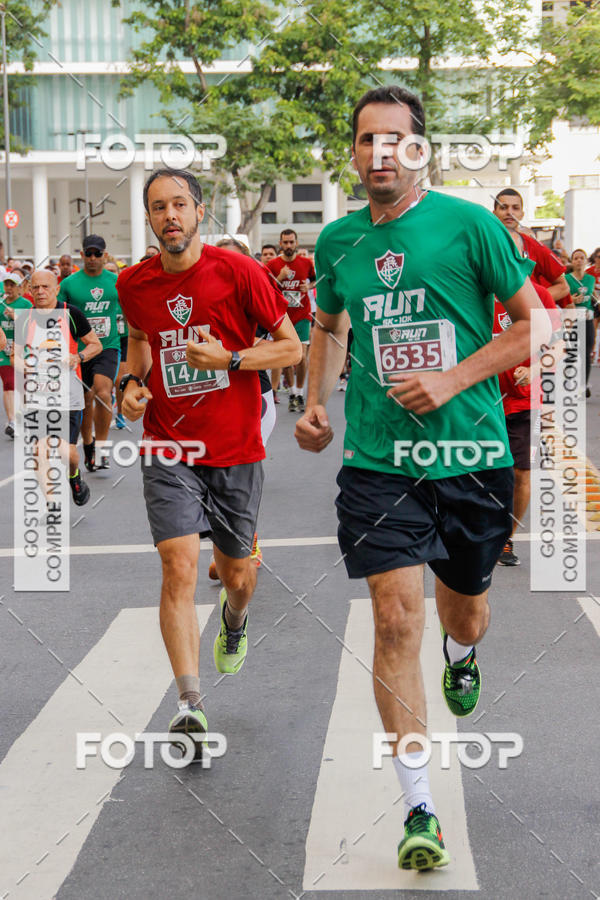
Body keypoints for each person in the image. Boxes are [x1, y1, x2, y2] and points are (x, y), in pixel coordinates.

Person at [295, 85, 549, 872]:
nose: (380, 153)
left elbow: (534, 324)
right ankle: (419, 807)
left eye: (395, 140)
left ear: (420, 149)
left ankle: (464, 653)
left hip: (471, 459)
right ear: (353, 152)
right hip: (379, 465)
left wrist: (451, 378)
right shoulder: (335, 243)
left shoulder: (470, 224)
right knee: (396, 620)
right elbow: (329, 330)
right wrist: (313, 402)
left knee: (461, 617)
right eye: (366, 140)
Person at [117, 167, 300, 756]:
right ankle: (189, 705)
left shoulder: (239, 272)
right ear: (148, 219)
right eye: (157, 207)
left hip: (235, 448)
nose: (169, 215)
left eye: (179, 205)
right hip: (169, 444)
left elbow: (292, 346)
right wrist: (130, 380)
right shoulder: (134, 284)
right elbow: (140, 342)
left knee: (237, 576)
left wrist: (231, 359)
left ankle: (235, 620)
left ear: (200, 212)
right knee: (178, 567)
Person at [492, 226, 561, 567]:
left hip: (523, 404)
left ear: (526, 258)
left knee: (521, 473)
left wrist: (534, 370)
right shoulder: (476, 293)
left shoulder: (540, 295)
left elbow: (562, 344)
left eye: (517, 252)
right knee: (481, 471)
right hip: (482, 403)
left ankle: (506, 537)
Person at [14, 270, 101, 505]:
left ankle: (74, 475)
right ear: (30, 291)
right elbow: (17, 357)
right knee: (38, 452)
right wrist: (26, 366)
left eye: (45, 287)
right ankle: (52, 504)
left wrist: (78, 357)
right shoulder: (25, 318)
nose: (40, 292)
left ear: (56, 288)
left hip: (68, 398)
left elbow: (96, 345)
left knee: (67, 452)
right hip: (37, 397)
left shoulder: (71, 314)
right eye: (36, 288)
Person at [58, 234, 121, 470]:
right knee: (84, 399)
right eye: (89, 254)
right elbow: (58, 316)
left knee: (103, 392)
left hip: (107, 346)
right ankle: (89, 446)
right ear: (82, 255)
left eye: (98, 254)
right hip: (78, 350)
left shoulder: (116, 281)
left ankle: (102, 449)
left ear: (105, 256)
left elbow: (131, 312)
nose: (93, 258)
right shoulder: (69, 284)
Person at [266, 229, 316, 412]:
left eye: (291, 242)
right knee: (288, 357)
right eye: (285, 242)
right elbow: (266, 288)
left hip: (302, 314)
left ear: (296, 243)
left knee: (301, 356)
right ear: (280, 243)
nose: (288, 246)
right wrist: (280, 278)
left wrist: (308, 286)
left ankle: (301, 392)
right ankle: (293, 393)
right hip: (282, 317)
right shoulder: (273, 265)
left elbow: (315, 280)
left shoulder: (305, 263)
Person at [493, 190, 569, 304]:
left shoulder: (533, 245)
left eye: (515, 208)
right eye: (503, 207)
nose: (509, 212)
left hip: (528, 319)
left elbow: (563, 287)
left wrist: (531, 303)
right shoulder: (480, 244)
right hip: (491, 319)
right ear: (494, 213)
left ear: (522, 214)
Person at [0, 272, 32, 437]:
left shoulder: (26, 304)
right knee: (8, 383)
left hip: (22, 352)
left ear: (20, 287)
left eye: (13, 284)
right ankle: (12, 420)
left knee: (22, 386)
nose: (9, 288)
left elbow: (32, 327)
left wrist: (17, 317)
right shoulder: (0, 304)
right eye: (7, 284)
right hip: (4, 352)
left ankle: (22, 415)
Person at [566, 249, 596, 397]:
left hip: (587, 319)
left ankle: (583, 384)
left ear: (585, 261)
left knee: (586, 353)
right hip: (571, 320)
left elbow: (591, 297)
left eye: (581, 258)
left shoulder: (591, 279)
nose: (579, 260)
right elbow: (560, 298)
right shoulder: (566, 279)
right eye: (576, 258)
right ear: (572, 261)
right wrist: (571, 299)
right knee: (572, 354)